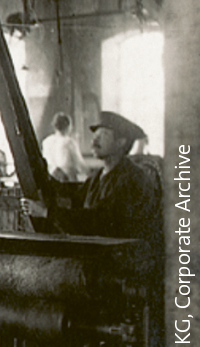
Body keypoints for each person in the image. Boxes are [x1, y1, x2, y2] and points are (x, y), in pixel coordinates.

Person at [23, 111, 162, 273]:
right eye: (95, 134)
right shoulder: (100, 175)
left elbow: (96, 220)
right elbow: (76, 196)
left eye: (103, 134)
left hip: (128, 265)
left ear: (121, 142)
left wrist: (47, 212)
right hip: (106, 256)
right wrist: (44, 178)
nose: (94, 139)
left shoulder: (131, 178)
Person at [41, 112, 89, 182]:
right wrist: (92, 173)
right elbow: (80, 164)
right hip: (67, 183)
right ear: (68, 126)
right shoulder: (69, 142)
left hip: (50, 182)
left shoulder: (46, 141)